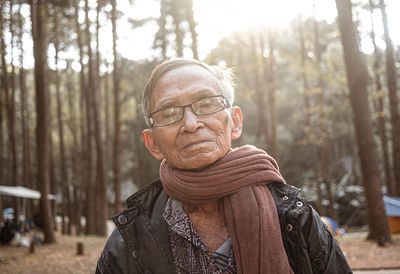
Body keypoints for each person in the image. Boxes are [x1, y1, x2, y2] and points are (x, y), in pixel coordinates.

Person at [96, 59, 352, 274]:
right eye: (168, 113)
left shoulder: (293, 216)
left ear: (235, 122)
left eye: (206, 104)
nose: (191, 123)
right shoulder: (131, 240)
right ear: (152, 143)